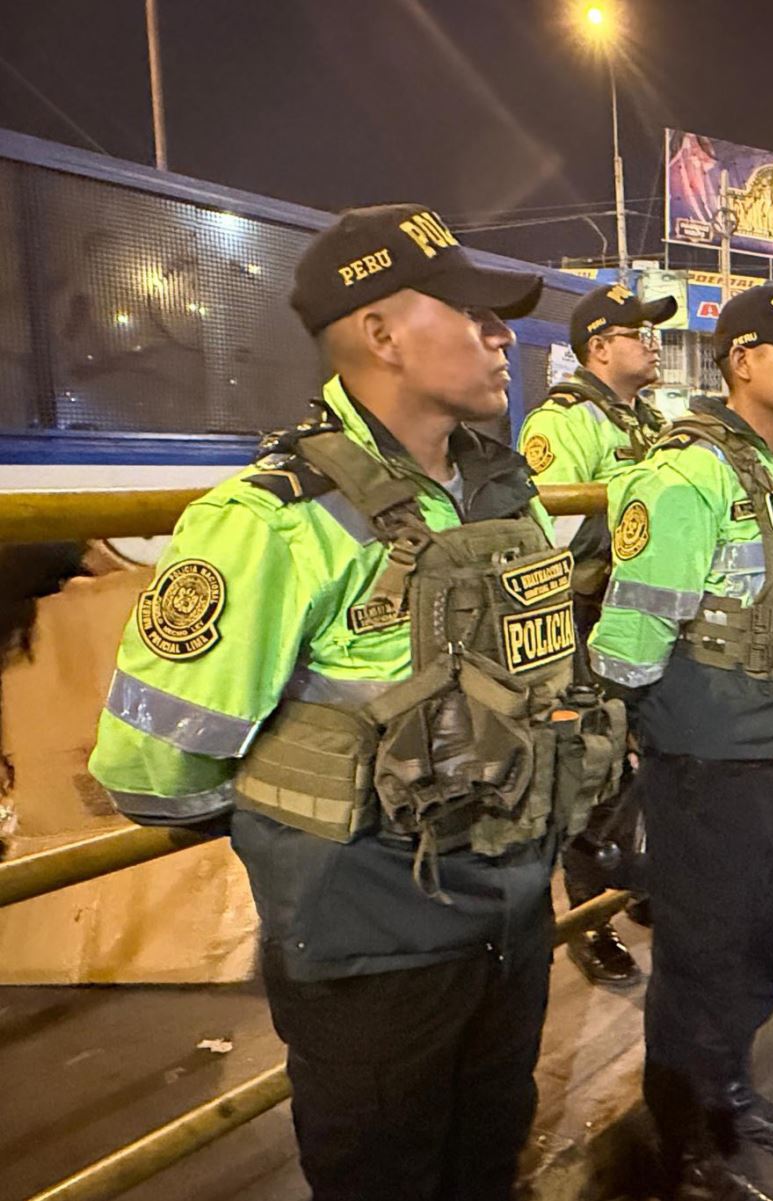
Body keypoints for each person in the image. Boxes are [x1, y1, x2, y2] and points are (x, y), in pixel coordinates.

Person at [86, 204, 625, 1201]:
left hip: (509, 921)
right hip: (372, 956)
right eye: (471, 313)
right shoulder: (272, 521)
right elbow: (152, 766)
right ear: (381, 333)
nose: (501, 336)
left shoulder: (502, 491)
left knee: (488, 1157)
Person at [590, 285, 773, 1201]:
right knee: (701, 960)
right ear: (743, 361)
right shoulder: (688, 472)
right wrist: (626, 755)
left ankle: (729, 1095)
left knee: (762, 945)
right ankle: (680, 1147)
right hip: (707, 760)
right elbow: (631, 639)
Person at [518, 281, 677, 988]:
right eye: (640, 333)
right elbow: (547, 534)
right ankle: (587, 919)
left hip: (641, 615)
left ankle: (637, 883)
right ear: (600, 347)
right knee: (592, 765)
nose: (653, 344)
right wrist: (643, 528)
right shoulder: (564, 423)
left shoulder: (647, 420)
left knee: (646, 760)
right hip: (585, 617)